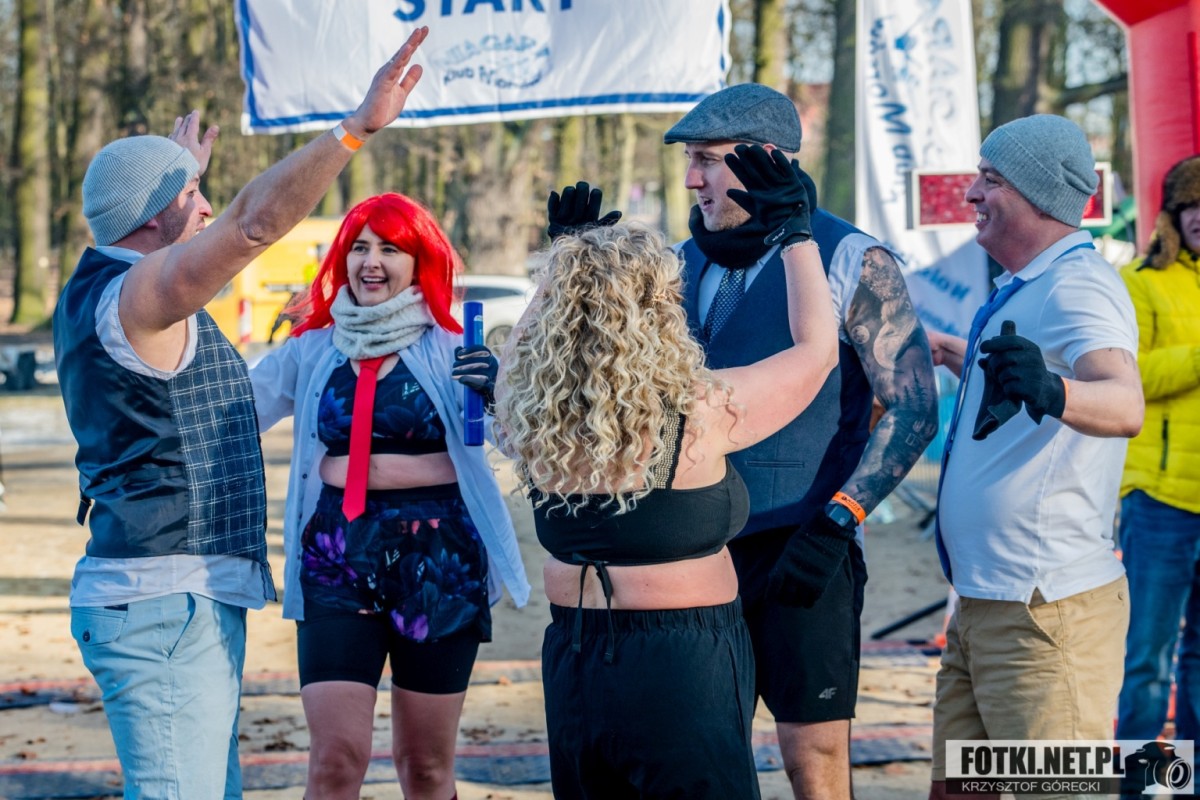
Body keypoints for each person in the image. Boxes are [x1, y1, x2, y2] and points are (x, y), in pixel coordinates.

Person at [51, 27, 430, 800]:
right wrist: (353, 131)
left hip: (171, 598)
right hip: (164, 602)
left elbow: (220, 411)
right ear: (151, 219)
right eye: (193, 199)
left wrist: (176, 175)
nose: (207, 208)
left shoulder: (101, 288)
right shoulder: (140, 297)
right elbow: (252, 224)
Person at [497, 146, 838, 799]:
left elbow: (519, 363)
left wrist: (564, 264)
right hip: (682, 662)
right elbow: (816, 351)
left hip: (575, 654)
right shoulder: (700, 413)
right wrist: (797, 236)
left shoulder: (536, 417)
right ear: (659, 311)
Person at [662, 83, 939, 799]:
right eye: (691, 160)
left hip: (807, 544)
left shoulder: (854, 257)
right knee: (700, 754)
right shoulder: (677, 261)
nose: (692, 179)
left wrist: (839, 521)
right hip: (692, 547)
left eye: (708, 160)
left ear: (766, 160)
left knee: (812, 761)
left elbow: (914, 409)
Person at [249, 192, 531, 800]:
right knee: (334, 762)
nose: (370, 261)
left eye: (390, 249)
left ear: (419, 260)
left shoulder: (453, 346)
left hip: (439, 557)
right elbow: (235, 411)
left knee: (425, 768)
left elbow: (520, 444)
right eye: (359, 247)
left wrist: (501, 393)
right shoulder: (313, 345)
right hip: (336, 553)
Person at [925, 114, 1144, 799]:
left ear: (1039, 196)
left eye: (990, 179)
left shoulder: (1078, 285)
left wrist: (1053, 390)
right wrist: (950, 352)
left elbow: (1125, 404)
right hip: (984, 605)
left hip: (1044, 618)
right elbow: (1023, 379)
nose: (971, 194)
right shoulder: (1028, 283)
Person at [1116, 154, 1200, 742]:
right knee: (1148, 656)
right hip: (1160, 500)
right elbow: (1129, 378)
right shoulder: (1139, 282)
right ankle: (1138, 779)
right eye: (1189, 204)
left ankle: (1191, 779)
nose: (1199, 216)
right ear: (1172, 213)